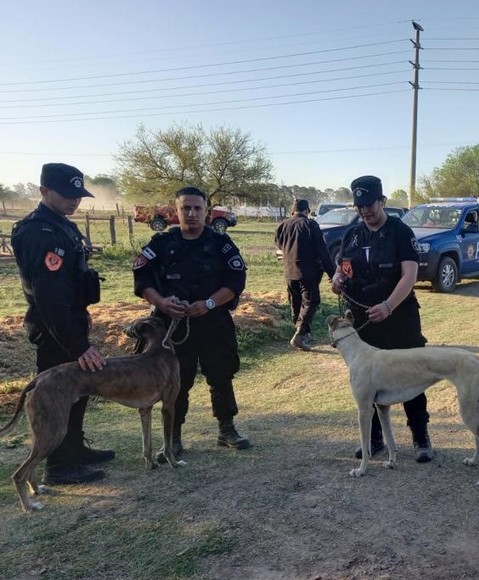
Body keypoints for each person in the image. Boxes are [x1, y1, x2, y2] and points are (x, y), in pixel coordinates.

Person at [11, 162, 114, 485]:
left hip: (72, 319)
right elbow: (49, 297)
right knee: (56, 394)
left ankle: (74, 449)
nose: (75, 201)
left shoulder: (63, 225)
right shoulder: (37, 231)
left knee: (79, 389)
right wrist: (79, 346)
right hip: (54, 327)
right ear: (44, 191)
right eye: (67, 194)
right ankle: (57, 465)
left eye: (78, 195)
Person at [132, 186, 251, 461]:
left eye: (198, 208)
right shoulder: (161, 244)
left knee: (221, 374)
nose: (192, 213)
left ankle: (227, 429)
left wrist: (209, 303)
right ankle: (173, 438)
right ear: (176, 211)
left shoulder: (221, 243)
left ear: (206, 211)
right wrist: (162, 303)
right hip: (173, 326)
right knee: (176, 381)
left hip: (213, 321)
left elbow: (236, 280)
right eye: (186, 208)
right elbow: (142, 279)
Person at [330, 175, 433, 462]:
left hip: (398, 316)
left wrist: (388, 306)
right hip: (363, 320)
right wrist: (338, 280)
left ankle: (420, 437)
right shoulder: (352, 234)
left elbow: (410, 276)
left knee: (412, 374)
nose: (365, 211)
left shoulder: (400, 232)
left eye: (369, 205)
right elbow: (343, 269)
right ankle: (373, 440)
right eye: (359, 206)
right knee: (367, 382)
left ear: (382, 201)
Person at [274, 198, 336, 350]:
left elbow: (278, 243)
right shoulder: (310, 224)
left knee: (296, 303)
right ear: (307, 211)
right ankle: (300, 333)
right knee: (311, 301)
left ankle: (302, 333)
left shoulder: (282, 225)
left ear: (292, 211)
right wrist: (332, 273)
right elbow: (323, 251)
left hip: (289, 271)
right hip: (308, 272)